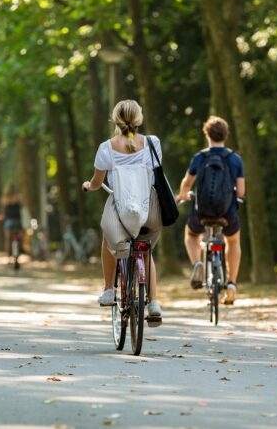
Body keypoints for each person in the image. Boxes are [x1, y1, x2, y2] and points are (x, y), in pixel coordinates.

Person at [82, 99, 163, 324]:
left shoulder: (106, 148)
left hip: (121, 207)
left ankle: (109, 290)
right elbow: (154, 174)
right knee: (145, 249)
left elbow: (97, 182)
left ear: (115, 120)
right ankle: (154, 302)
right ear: (139, 119)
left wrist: (89, 186)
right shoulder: (153, 143)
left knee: (108, 237)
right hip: (149, 209)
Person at [176, 116, 245, 305]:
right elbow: (240, 191)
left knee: (191, 235)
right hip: (227, 213)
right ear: (225, 135)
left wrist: (183, 195)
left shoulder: (200, 157)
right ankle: (231, 284)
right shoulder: (235, 159)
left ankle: (197, 263)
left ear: (207, 134)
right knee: (233, 240)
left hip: (202, 212)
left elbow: (187, 183)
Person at [0, 185, 23, 256]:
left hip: (9, 221)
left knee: (7, 238)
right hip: (18, 220)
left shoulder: (4, 199)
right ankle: (20, 247)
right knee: (20, 236)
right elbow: (23, 207)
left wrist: (1, 217)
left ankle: (8, 253)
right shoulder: (19, 197)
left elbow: (3, 211)